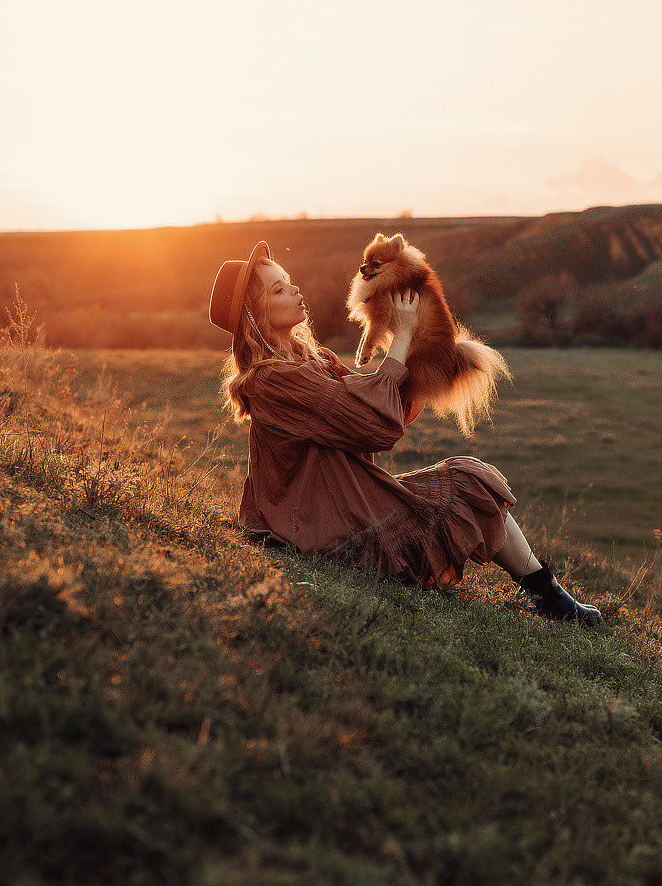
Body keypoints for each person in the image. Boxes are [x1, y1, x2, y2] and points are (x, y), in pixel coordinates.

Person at [209, 241, 600, 625]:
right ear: (256, 313)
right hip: (325, 526)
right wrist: (403, 335)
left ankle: (546, 594)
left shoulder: (312, 359)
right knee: (468, 481)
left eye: (288, 280)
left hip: (349, 499)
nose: (294, 289)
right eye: (279, 289)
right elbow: (372, 425)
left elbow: (380, 405)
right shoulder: (272, 380)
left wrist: (432, 354)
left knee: (472, 475)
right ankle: (549, 597)